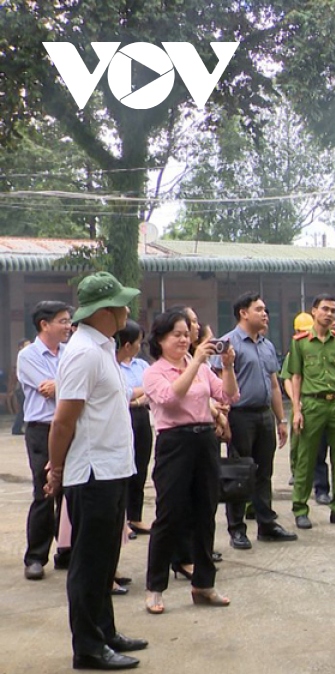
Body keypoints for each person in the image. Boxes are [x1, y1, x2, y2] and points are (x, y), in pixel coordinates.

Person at [44, 272, 147, 670]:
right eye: (121, 303)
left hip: (112, 468)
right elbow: (63, 422)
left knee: (106, 558)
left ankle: (104, 630)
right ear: (104, 311)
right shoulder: (84, 352)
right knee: (89, 565)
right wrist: (55, 469)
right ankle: (87, 647)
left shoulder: (102, 347)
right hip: (91, 473)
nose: (127, 309)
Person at [141, 308, 239, 615]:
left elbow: (227, 396)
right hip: (174, 443)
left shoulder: (199, 367)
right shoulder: (154, 371)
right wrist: (197, 361)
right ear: (160, 339)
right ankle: (155, 587)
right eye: (177, 335)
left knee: (205, 512)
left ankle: (203, 583)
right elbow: (171, 398)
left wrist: (227, 367)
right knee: (169, 514)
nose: (184, 340)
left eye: (187, 334)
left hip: (204, 441)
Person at [215, 293, 296, 550]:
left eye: (266, 310)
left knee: (264, 472)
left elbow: (273, 385)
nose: (265, 314)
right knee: (239, 473)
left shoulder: (266, 345)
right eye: (259, 309)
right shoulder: (228, 343)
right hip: (239, 416)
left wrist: (281, 420)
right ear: (243, 313)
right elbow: (218, 384)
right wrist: (223, 418)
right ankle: (237, 528)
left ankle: (266, 523)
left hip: (263, 416)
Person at [286, 294, 335, 529]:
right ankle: (300, 508)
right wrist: (296, 410)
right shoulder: (301, 342)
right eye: (325, 309)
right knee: (306, 458)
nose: (329, 314)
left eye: (333, 311)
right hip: (312, 404)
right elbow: (295, 377)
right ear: (314, 311)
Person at [18, 301, 73, 581]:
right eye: (63, 321)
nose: (68, 326)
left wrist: (61, 384)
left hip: (69, 427)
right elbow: (47, 390)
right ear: (44, 324)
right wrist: (66, 385)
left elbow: (70, 386)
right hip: (42, 429)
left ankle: (66, 551)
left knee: (71, 492)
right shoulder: (29, 355)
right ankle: (36, 557)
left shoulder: (70, 352)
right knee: (45, 492)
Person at [282, 311, 332, 504]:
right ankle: (301, 478)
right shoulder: (296, 350)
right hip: (304, 405)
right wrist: (296, 402)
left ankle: (333, 489)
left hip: (326, 406)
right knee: (304, 449)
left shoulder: (329, 346)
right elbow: (289, 377)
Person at [116, 320, 153, 536]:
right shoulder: (114, 365)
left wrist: (135, 397)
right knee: (123, 470)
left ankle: (135, 517)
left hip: (141, 417)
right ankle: (122, 522)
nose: (141, 345)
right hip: (123, 417)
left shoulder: (143, 366)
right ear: (127, 343)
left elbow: (151, 390)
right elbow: (123, 393)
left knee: (140, 467)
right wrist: (139, 392)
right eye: (138, 341)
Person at [11, 339, 30, 435]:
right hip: (22, 387)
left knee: (24, 409)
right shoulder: (22, 355)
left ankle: (17, 428)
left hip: (22, 386)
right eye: (27, 344)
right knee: (23, 409)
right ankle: (16, 428)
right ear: (21, 347)